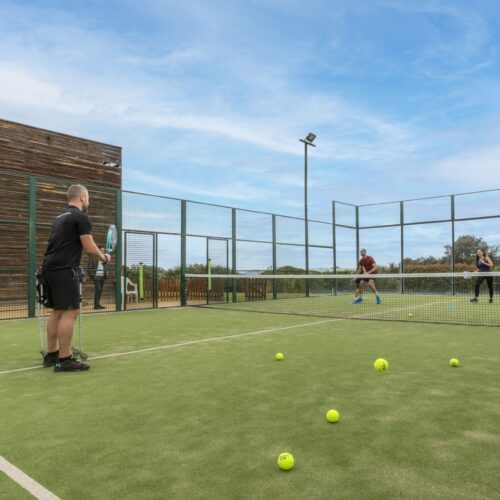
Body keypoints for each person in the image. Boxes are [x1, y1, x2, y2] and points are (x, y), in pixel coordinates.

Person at [41, 184, 111, 372]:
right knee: (70, 312)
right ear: (81, 197)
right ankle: (64, 360)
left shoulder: (59, 218)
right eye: (88, 198)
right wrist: (104, 258)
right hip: (65, 270)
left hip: (49, 268)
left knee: (57, 311)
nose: (89, 201)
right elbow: (89, 249)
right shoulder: (81, 217)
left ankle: (51, 355)